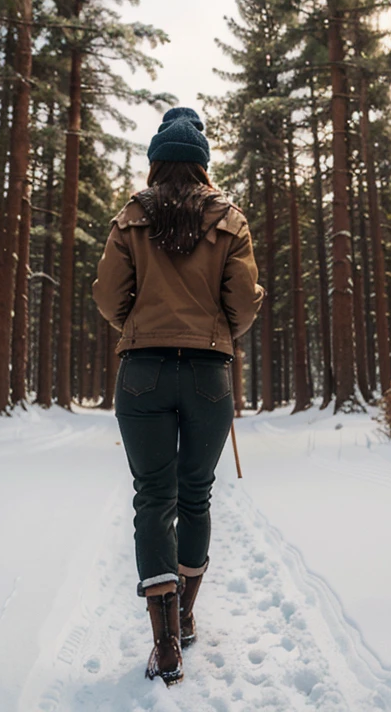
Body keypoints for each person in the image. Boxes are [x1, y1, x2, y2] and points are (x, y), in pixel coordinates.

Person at [92, 107, 264, 686]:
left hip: (142, 371)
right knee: (195, 495)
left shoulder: (130, 218)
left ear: (156, 162)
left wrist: (137, 326)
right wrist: (218, 331)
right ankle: (186, 615)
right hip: (208, 375)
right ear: (202, 166)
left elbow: (108, 295)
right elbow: (243, 300)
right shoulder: (231, 219)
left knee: (151, 498)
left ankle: (165, 645)